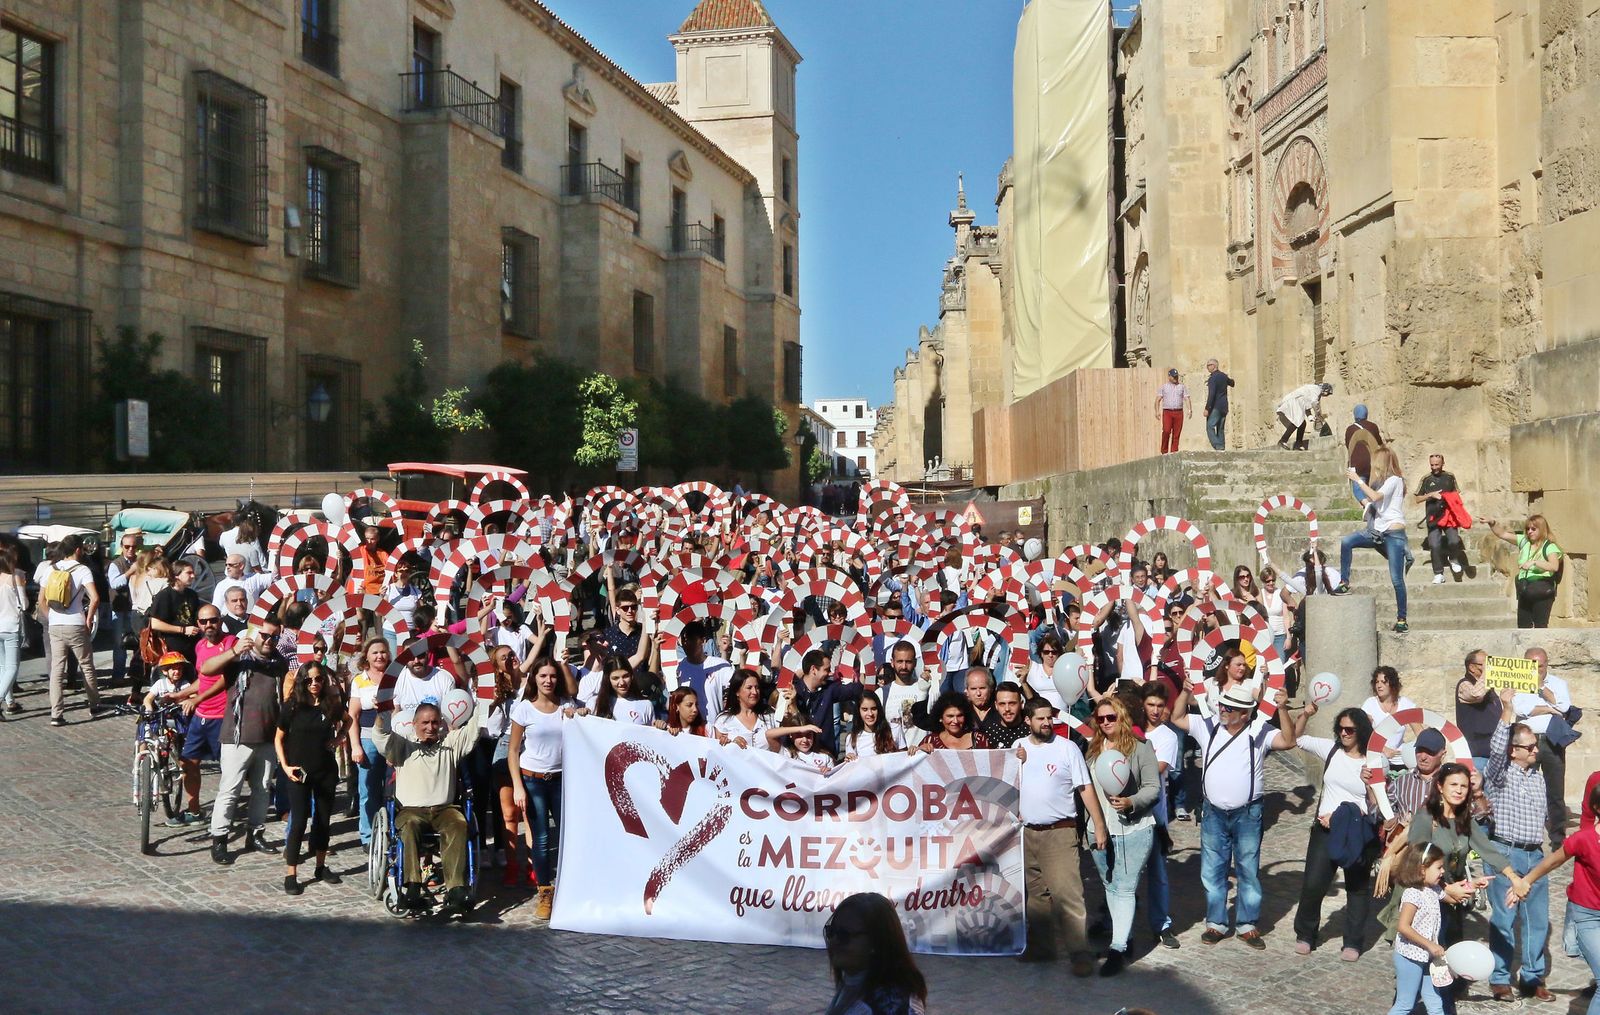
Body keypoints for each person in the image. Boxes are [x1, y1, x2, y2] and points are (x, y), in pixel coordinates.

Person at [1168, 683, 1300, 947]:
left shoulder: (1259, 731)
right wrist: (1184, 691)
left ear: (1245, 713)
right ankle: (1216, 923)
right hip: (1213, 813)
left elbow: (1288, 741)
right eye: (1223, 705)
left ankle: (1247, 924)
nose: (1223, 709)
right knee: (1213, 870)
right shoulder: (1208, 726)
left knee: (1248, 869)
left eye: (1230, 707)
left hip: (1248, 814)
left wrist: (1283, 709)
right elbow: (1177, 718)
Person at [1016, 697, 1107, 973]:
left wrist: (1099, 825)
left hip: (1060, 832)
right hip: (1028, 833)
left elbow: (1085, 788)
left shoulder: (1067, 749)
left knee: (1067, 894)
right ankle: (1042, 949)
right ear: (1028, 721)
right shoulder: (1017, 749)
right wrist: (1014, 761)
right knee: (1037, 898)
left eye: (1049, 718)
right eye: (1040, 718)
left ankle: (1080, 953)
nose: (1046, 723)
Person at [370, 698, 480, 917]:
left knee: (459, 823)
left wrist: (487, 699)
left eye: (434, 722)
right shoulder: (402, 744)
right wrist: (382, 712)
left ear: (440, 723)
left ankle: (456, 889)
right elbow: (380, 737)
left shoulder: (451, 742)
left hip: (444, 809)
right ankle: (412, 886)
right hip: (411, 810)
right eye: (425, 723)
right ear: (414, 724)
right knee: (409, 826)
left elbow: (475, 727)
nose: (430, 727)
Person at [194, 611, 289, 865]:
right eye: (265, 635)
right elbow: (206, 668)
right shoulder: (239, 660)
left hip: (268, 735)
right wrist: (234, 651)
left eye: (274, 637)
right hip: (237, 735)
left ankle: (255, 834)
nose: (269, 640)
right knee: (230, 789)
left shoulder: (278, 663)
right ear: (255, 634)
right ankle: (220, 839)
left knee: (262, 788)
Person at [1291, 704, 1379, 959]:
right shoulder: (1332, 750)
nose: (1344, 734)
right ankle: (1306, 934)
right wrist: (1305, 714)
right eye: (1340, 728)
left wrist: (1369, 785)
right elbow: (1296, 739)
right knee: (1314, 884)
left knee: (1357, 888)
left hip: (1357, 832)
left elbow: (1376, 807)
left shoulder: (1373, 761)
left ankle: (1353, 942)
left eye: (1349, 730)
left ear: (1361, 731)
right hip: (1325, 831)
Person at [1482, 688, 1553, 1001]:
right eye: (1529, 746)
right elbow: (1496, 749)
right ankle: (1499, 977)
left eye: (1535, 745)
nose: (1536, 750)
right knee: (1504, 918)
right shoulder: (1499, 774)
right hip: (1506, 852)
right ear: (1515, 751)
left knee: (1537, 920)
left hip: (1535, 853)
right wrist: (1507, 709)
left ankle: (1532, 976)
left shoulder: (1537, 776)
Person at [1508, 780, 1600, 1015]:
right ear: (1598, 808)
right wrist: (1525, 881)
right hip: (1588, 916)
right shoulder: (1584, 839)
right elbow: (1553, 860)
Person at [1084, 697, 1159, 976]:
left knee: (1126, 887)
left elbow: (1153, 788)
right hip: (1099, 828)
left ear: (1122, 717)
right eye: (1101, 719)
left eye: (1111, 717)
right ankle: (1123, 939)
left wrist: (1131, 802)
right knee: (1110, 886)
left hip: (1134, 828)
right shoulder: (1092, 750)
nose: (1105, 723)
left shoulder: (1140, 749)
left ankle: (1116, 950)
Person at [507, 656, 581, 920]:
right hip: (533, 779)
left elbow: (584, 728)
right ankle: (545, 891)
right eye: (543, 676)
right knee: (541, 838)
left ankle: (569, 887)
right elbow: (513, 750)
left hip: (562, 779)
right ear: (534, 679)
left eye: (552, 676)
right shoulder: (524, 709)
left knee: (566, 836)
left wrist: (578, 716)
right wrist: (517, 786)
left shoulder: (566, 706)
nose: (548, 681)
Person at [1407, 763, 1511, 945]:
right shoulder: (1426, 817)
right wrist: (1445, 889)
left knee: (1452, 955)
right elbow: (1417, 863)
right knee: (1429, 957)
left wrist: (1515, 878)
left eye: (1463, 786)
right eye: (1453, 785)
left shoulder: (1464, 820)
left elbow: (1488, 850)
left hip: (1453, 901)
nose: (1459, 790)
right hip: (1427, 900)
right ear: (1440, 786)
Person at [275, 661, 346, 896]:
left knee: (323, 820)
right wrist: (284, 766)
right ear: (302, 681)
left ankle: (320, 866)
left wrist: (338, 740)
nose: (314, 684)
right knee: (298, 822)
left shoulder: (330, 704)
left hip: (325, 770)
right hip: (298, 772)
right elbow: (278, 738)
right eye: (309, 680)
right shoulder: (293, 706)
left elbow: (348, 721)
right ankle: (291, 873)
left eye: (318, 679)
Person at [1336, 446, 1413, 633]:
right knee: (1347, 542)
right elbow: (1371, 500)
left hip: (1393, 534)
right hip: (1376, 531)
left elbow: (1375, 496)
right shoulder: (1380, 481)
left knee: (1396, 579)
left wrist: (1358, 481)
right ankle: (1344, 582)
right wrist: (1358, 485)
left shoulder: (1395, 480)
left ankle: (1402, 619)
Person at [823, 892, 928, 1015]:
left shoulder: (894, 1005)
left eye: (844, 935)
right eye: (831, 931)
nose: (833, 941)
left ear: (875, 941)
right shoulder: (854, 981)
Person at [41, 533, 105, 726]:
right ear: (78, 550)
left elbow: (41, 601)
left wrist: (50, 617)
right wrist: (88, 619)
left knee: (57, 669)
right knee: (86, 665)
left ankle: (56, 714)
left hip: (55, 624)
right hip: (76, 623)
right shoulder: (83, 569)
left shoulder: (50, 568)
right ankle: (94, 704)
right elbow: (94, 598)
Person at [1513, 646, 1576, 839]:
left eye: (1540, 666)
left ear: (1547, 664)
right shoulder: (1516, 683)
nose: (1536, 670)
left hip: (1550, 740)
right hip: (1526, 741)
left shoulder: (1558, 683)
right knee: (1519, 786)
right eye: (1532, 665)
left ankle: (1558, 837)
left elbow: (1563, 706)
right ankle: (1522, 832)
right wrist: (1549, 708)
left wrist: (1541, 688)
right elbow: (1521, 709)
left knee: (1555, 789)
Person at [1386, 842, 1451, 1015]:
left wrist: (1473, 885)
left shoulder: (1433, 889)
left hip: (1428, 957)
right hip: (1410, 957)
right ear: (1423, 869)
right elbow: (1403, 927)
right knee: (1405, 1004)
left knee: (1436, 1004)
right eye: (1439, 867)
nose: (1442, 871)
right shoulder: (1413, 894)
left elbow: (1452, 897)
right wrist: (1430, 945)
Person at [1139, 682, 1181, 948]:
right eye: (1150, 705)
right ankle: (1113, 922)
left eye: (1159, 706)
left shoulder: (1168, 736)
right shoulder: (1128, 728)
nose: (1155, 710)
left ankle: (1161, 924)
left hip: (1155, 812)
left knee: (1157, 871)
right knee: (1121, 871)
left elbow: (1157, 769)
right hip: (1124, 809)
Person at [347, 637, 392, 847]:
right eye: (375, 652)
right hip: (368, 738)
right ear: (367, 656)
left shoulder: (397, 676)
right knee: (368, 789)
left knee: (393, 788)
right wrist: (355, 746)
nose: (379, 656)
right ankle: (368, 836)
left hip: (393, 738)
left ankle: (392, 830)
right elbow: (352, 716)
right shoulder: (359, 680)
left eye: (383, 652)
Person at [1489, 514, 1563, 628]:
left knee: (1540, 625)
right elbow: (1502, 534)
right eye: (1528, 529)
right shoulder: (1524, 541)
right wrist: (1492, 523)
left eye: (1533, 529)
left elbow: (1554, 566)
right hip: (1524, 589)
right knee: (1523, 625)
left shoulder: (1549, 546)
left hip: (1541, 589)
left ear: (1542, 529)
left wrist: (1534, 563)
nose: (1530, 532)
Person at [791, 648, 864, 758]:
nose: (830, 673)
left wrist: (865, 662)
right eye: (826, 669)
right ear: (813, 669)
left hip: (827, 755)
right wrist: (791, 703)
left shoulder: (830, 689)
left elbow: (857, 689)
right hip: (800, 758)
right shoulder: (793, 691)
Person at [1414, 454, 1467, 583]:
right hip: (1433, 516)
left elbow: (1456, 493)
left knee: (1454, 540)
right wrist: (1431, 495)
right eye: (1432, 465)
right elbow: (1417, 498)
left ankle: (1453, 558)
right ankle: (1438, 573)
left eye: (1437, 464)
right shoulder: (1426, 479)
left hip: (1449, 516)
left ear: (1443, 463)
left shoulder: (1450, 477)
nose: (1434, 467)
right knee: (1434, 544)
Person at [674, 621, 733, 726]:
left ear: (703, 641)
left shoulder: (721, 665)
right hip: (688, 731)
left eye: (692, 639)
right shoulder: (678, 667)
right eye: (684, 640)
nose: (687, 643)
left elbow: (740, 687)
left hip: (714, 731)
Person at [146, 559, 202, 663]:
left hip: (192, 645)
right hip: (172, 647)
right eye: (189, 573)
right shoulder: (164, 595)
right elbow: (154, 623)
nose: (193, 576)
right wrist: (183, 630)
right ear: (176, 575)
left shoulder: (192, 594)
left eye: (193, 573)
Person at [1452, 649, 1495, 769]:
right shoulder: (1464, 684)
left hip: (1493, 754)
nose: (1489, 667)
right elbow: (1476, 694)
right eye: (1485, 664)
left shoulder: (1487, 687)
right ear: (1472, 667)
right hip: (1477, 754)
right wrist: (1488, 673)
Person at [594, 655, 661, 727]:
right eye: (615, 678)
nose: (622, 683)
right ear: (607, 679)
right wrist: (581, 713)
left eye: (625, 676)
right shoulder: (595, 703)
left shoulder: (646, 705)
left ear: (632, 675)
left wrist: (660, 726)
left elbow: (651, 734)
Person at [912, 692, 989, 751]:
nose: (955, 721)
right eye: (950, 716)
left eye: (960, 716)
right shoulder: (930, 740)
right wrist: (918, 751)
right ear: (940, 718)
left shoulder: (979, 739)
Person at [0, 545, 26, 717]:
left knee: (2, 667)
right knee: (12, 668)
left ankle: (10, 702)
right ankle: (2, 698)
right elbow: (24, 604)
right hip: (11, 626)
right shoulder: (14, 578)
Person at [842, 690, 902, 760]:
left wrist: (912, 751)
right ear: (858, 711)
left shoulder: (895, 729)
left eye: (874, 709)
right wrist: (849, 760)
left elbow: (905, 759)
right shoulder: (852, 738)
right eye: (865, 709)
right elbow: (853, 768)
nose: (870, 714)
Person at [1344, 404, 1385, 505]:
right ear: (1366, 414)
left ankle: (1366, 504)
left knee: (1358, 487)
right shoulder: (1373, 426)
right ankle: (1373, 506)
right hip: (1372, 462)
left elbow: (1348, 445)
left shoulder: (1350, 429)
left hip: (1357, 464)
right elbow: (1379, 443)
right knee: (1372, 487)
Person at [1276, 381, 1332, 450]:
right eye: (1327, 393)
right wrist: (1318, 415)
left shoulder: (1313, 390)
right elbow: (1315, 403)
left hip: (1296, 402)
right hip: (1294, 401)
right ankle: (1283, 441)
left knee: (1302, 423)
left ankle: (1298, 444)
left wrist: (1310, 416)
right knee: (1297, 421)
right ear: (1325, 391)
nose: (1326, 395)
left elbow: (1306, 405)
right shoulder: (1316, 390)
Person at [981, 680, 1029, 748]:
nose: (1007, 709)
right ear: (996, 706)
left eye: (1012, 703)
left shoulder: (1031, 730)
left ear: (1021, 704)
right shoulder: (988, 733)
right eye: (1002, 704)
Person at [1156, 367, 1191, 454]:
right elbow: (1157, 400)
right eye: (1174, 377)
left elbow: (1187, 398)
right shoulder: (1164, 387)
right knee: (1166, 431)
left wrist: (1189, 409)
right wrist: (1157, 411)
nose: (1175, 378)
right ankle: (1164, 451)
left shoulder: (1182, 387)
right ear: (1169, 377)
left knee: (1176, 433)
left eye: (1176, 376)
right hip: (1167, 412)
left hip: (1178, 412)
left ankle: (1174, 452)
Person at [1203, 358, 1233, 450]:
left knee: (1210, 427)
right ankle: (1222, 447)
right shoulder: (1223, 376)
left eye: (1209, 365)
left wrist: (1207, 408)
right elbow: (1232, 383)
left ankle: (1218, 446)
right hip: (1224, 406)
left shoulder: (1213, 378)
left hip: (1216, 406)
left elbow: (1211, 394)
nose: (1207, 367)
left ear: (1214, 366)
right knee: (1220, 428)